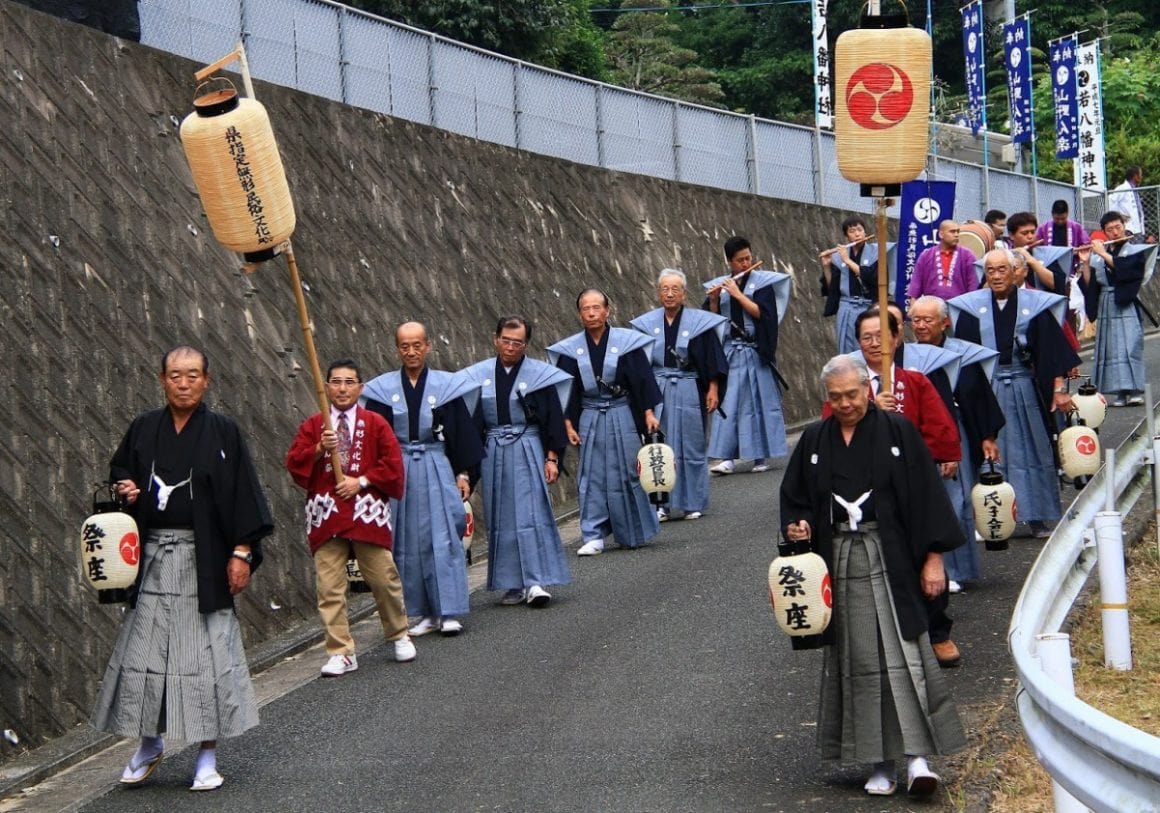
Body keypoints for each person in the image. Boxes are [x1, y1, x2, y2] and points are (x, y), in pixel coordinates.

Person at [780, 354, 967, 799]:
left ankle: (919, 760)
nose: (846, 404)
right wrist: (798, 525)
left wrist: (934, 559)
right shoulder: (814, 440)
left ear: (867, 388)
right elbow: (796, 500)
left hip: (894, 555)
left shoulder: (898, 431)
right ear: (826, 398)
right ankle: (879, 761)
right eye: (836, 397)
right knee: (860, 661)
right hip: (840, 558)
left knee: (907, 657)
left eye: (853, 394)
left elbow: (926, 497)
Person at [92, 346, 274, 792]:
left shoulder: (223, 432)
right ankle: (149, 743)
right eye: (176, 375)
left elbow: (244, 494)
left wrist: (242, 552)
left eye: (193, 375)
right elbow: (120, 470)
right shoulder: (144, 427)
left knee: (206, 659)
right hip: (153, 557)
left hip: (206, 559)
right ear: (162, 379)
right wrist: (127, 486)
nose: (184, 382)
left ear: (206, 381)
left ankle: (207, 755)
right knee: (144, 657)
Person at [835, 308, 963, 667]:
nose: (875, 344)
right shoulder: (850, 386)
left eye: (882, 335)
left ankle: (938, 632)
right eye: (866, 338)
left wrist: (945, 455)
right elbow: (832, 429)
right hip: (865, 491)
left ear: (897, 337)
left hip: (911, 486)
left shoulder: (915, 381)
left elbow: (939, 427)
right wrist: (869, 409)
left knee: (925, 558)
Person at [286, 359, 416, 676]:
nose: (342, 388)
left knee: (384, 578)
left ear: (360, 387)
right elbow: (294, 462)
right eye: (336, 381)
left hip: (365, 511)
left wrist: (363, 481)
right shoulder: (315, 424)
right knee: (329, 586)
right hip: (327, 513)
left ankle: (398, 632)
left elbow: (393, 464)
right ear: (326, 386)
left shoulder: (375, 423)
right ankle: (341, 650)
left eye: (349, 381)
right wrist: (319, 448)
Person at [362, 323, 484, 636]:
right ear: (397, 349)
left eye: (417, 345)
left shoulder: (446, 386)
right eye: (405, 346)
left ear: (428, 346)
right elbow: (375, 436)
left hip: (436, 463)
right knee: (407, 541)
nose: (411, 351)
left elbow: (460, 433)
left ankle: (449, 610)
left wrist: (463, 473)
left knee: (443, 537)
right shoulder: (382, 390)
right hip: (399, 467)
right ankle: (424, 612)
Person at [949, 250, 1080, 538]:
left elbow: (1051, 352)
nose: (996, 276)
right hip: (988, 386)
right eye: (990, 270)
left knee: (1033, 448)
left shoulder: (1034, 305)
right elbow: (964, 354)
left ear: (1016, 272)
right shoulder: (972, 306)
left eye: (1002, 270)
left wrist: (1058, 390)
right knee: (985, 450)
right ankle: (989, 520)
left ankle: (1037, 516)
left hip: (1023, 386)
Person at [460, 316, 573, 606]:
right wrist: (465, 471)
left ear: (526, 344)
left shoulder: (539, 375)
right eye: (506, 340)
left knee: (531, 512)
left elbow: (552, 418)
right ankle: (512, 582)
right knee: (501, 516)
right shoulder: (478, 376)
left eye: (518, 342)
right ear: (496, 339)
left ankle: (535, 580)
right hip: (494, 447)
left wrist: (552, 458)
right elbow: (472, 425)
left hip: (528, 445)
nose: (511, 347)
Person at [549, 289, 662, 555]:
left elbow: (642, 380)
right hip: (589, 413)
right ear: (579, 313)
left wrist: (648, 412)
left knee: (628, 471)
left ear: (607, 310)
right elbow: (566, 390)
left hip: (621, 410)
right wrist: (567, 422)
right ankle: (594, 534)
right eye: (586, 308)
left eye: (596, 307)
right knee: (592, 475)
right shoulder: (571, 349)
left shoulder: (626, 343)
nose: (591, 313)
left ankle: (632, 530)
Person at [910, 296, 1005, 592]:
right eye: (916, 320)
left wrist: (986, 437)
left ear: (945, 322)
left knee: (956, 499)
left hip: (953, 430)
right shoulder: (906, 355)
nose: (921, 326)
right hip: (914, 433)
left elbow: (978, 397)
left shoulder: (959, 354)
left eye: (928, 320)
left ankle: (957, 569)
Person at [630, 269, 728, 520]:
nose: (670, 294)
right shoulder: (645, 324)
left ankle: (692, 501)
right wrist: (646, 404)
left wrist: (713, 388)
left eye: (675, 289)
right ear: (658, 292)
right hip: (658, 387)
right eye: (665, 289)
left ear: (684, 293)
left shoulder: (699, 322)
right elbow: (640, 368)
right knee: (659, 447)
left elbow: (712, 358)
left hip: (689, 387)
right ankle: (660, 504)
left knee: (692, 446)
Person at [704, 236, 791, 474]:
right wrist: (713, 300)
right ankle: (727, 458)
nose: (745, 263)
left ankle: (760, 457)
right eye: (740, 260)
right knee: (729, 403)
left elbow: (764, 315)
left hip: (755, 349)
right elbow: (714, 322)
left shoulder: (762, 284)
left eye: (748, 258)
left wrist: (739, 295)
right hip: (731, 350)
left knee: (758, 402)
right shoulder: (721, 285)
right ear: (730, 261)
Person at [1080, 211, 1150, 406]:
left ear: (1123, 226)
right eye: (1110, 229)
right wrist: (1086, 262)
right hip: (1106, 303)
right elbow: (1090, 284)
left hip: (1126, 303)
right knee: (1111, 349)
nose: (1115, 232)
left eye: (1118, 227)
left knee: (1130, 346)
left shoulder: (1134, 250)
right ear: (1104, 232)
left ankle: (1135, 390)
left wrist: (1102, 253)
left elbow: (1127, 273)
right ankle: (1120, 392)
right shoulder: (1100, 254)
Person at [821, 216, 880, 353]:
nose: (857, 234)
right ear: (846, 236)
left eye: (860, 230)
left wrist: (847, 260)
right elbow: (832, 288)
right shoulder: (838, 257)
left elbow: (871, 277)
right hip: (846, 306)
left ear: (865, 232)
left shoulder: (876, 253)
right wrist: (826, 266)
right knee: (846, 349)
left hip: (869, 306)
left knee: (868, 346)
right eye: (852, 231)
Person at [905, 220, 979, 302]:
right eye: (952, 232)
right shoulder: (926, 255)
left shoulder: (967, 256)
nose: (956, 235)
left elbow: (973, 287)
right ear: (941, 234)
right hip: (931, 308)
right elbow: (915, 287)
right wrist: (913, 311)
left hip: (959, 308)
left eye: (958, 232)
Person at [1007, 211, 1066, 293]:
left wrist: (1030, 260)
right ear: (1011, 235)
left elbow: (1057, 285)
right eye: (1025, 233)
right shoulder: (1005, 257)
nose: (1030, 237)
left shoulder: (1045, 255)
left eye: (1033, 232)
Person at [1108, 166, 1146, 236]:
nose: (1141, 177)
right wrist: (1118, 216)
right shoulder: (1122, 188)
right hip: (1128, 228)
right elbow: (1110, 201)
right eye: (1140, 174)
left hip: (1137, 228)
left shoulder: (1134, 189)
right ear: (1135, 176)